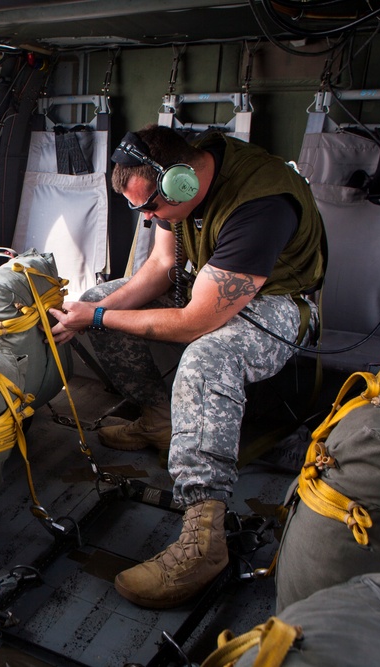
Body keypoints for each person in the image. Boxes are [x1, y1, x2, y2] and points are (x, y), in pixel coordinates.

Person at [48, 125, 326, 609]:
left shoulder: (260, 202)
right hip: (215, 289)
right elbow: (158, 268)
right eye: (139, 210)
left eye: (152, 207)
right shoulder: (173, 186)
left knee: (205, 358)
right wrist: (94, 311)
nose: (149, 216)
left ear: (182, 182)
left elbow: (198, 321)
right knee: (99, 299)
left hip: (282, 305)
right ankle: (160, 418)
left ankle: (203, 540)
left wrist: (100, 316)